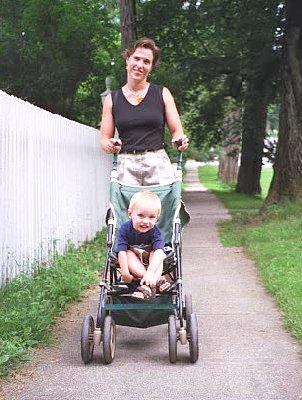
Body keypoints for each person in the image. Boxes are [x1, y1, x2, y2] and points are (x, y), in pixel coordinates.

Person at [100, 37, 189, 186]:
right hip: (125, 166)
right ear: (127, 60)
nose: (140, 65)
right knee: (127, 210)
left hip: (157, 164)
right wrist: (110, 145)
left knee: (162, 209)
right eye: (136, 58)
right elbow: (104, 139)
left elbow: (177, 132)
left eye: (146, 61)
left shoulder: (162, 93)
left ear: (151, 67)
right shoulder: (112, 99)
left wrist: (178, 142)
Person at [117, 190, 170, 299]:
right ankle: (155, 281)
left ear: (157, 218)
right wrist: (125, 273)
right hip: (134, 264)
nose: (146, 221)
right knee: (127, 253)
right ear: (130, 214)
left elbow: (159, 251)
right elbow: (121, 252)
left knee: (156, 253)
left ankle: (147, 285)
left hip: (152, 265)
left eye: (151, 217)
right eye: (141, 216)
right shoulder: (125, 229)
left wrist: (150, 272)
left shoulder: (155, 232)